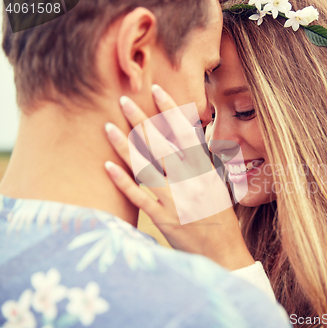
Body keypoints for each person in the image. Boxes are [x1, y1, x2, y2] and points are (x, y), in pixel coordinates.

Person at [103, 0, 327, 327]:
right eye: (210, 116)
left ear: (311, 112)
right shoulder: (230, 245)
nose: (215, 141)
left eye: (245, 110)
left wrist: (227, 258)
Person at [0, 1, 291, 327]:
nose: (208, 114)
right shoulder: (210, 309)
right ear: (136, 52)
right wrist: (234, 273)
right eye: (205, 72)